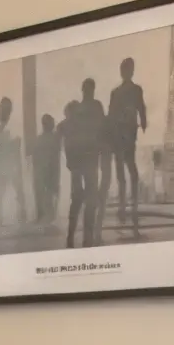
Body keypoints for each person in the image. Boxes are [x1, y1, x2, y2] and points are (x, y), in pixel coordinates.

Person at [106, 57, 147, 238]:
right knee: (131, 171)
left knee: (124, 172)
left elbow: (111, 115)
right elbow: (141, 109)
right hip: (127, 135)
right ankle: (131, 206)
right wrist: (142, 123)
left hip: (120, 137)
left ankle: (125, 206)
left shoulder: (116, 92)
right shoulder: (135, 90)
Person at [61, 78, 105, 248]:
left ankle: (72, 236)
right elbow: (102, 129)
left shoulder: (77, 110)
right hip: (90, 159)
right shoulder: (96, 107)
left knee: (78, 199)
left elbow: (65, 131)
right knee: (89, 199)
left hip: (81, 162)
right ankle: (86, 237)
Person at [0, 96, 26, 226]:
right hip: (4, 166)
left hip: (10, 165)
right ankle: (1, 217)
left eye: (3, 109)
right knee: (3, 192)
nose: (1, 111)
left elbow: (16, 147)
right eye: (1, 108)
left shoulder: (10, 128)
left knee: (16, 192)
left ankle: (21, 216)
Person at [31, 112, 62, 223]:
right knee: (48, 193)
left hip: (46, 170)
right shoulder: (53, 139)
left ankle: (45, 216)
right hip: (47, 170)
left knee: (46, 193)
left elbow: (35, 157)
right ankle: (47, 216)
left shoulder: (41, 139)